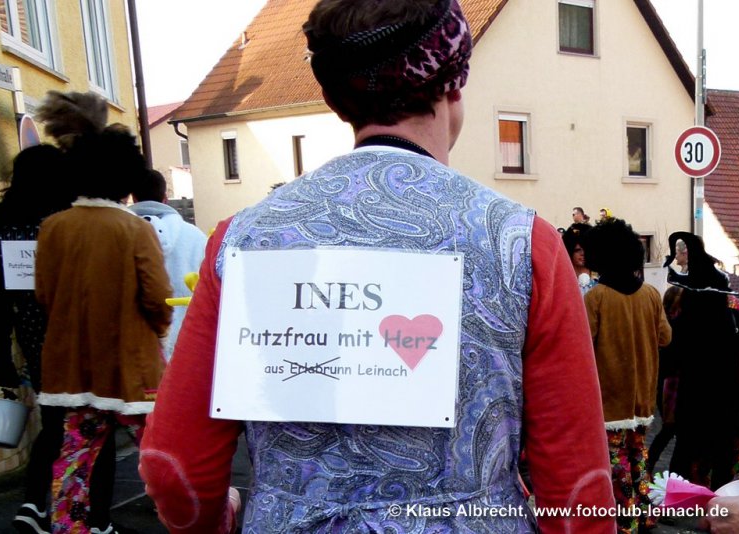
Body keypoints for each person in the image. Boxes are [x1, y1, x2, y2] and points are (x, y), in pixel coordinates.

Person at [139, 1, 615, 532]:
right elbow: (578, 487)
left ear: (332, 97)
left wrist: (216, 520)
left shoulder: (243, 242)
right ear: (454, 82)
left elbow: (174, 466)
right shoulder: (521, 244)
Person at [35, 127, 173, 534]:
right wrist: (160, 331)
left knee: (75, 459)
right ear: (126, 176)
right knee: (164, 452)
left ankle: (69, 528)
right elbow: (157, 296)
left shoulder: (53, 227)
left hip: (75, 369)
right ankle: (189, 520)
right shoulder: (134, 229)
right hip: (133, 368)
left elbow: (44, 294)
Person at [0, 144, 74, 534]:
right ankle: (68, 510)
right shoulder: (64, 223)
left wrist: (1, 354)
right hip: (73, 337)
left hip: (34, 341)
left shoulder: (3, 228)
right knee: (80, 428)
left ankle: (36, 504)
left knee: (53, 423)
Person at [583, 218, 672, 533]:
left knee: (616, 462)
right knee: (639, 455)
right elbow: (665, 337)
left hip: (610, 400)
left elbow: (583, 343)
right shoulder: (650, 294)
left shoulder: (596, 297)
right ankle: (646, 513)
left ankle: (627, 521)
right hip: (643, 397)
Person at [664, 232, 739, 491]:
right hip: (723, 395)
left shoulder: (687, 317)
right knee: (719, 454)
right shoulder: (729, 316)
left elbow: (673, 356)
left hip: (696, 393)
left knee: (687, 452)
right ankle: (717, 497)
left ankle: (681, 498)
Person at [129, 169, 207, 361]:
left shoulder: (120, 235)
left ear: (133, 197)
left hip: (136, 344)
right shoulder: (195, 236)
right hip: (186, 339)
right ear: (165, 198)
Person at [646, 285, 683, 475]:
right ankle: (650, 464)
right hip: (670, 381)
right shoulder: (673, 324)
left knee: (670, 429)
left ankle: (650, 464)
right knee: (669, 428)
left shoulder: (667, 321)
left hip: (666, 378)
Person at [563, 223, 596, 294]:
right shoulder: (562, 280)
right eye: (577, 250)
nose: (583, 253)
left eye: (587, 249)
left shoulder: (601, 281)